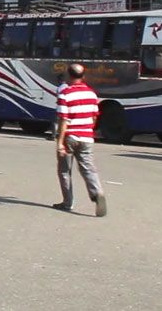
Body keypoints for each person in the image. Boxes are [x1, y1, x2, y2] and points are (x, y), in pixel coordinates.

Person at [54, 64, 108, 217]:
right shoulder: (91, 94)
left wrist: (60, 143)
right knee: (88, 169)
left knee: (64, 170)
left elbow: (63, 120)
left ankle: (67, 202)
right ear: (83, 76)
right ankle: (97, 193)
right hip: (87, 137)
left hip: (69, 137)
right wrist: (88, 129)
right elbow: (94, 116)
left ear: (68, 76)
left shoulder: (65, 94)